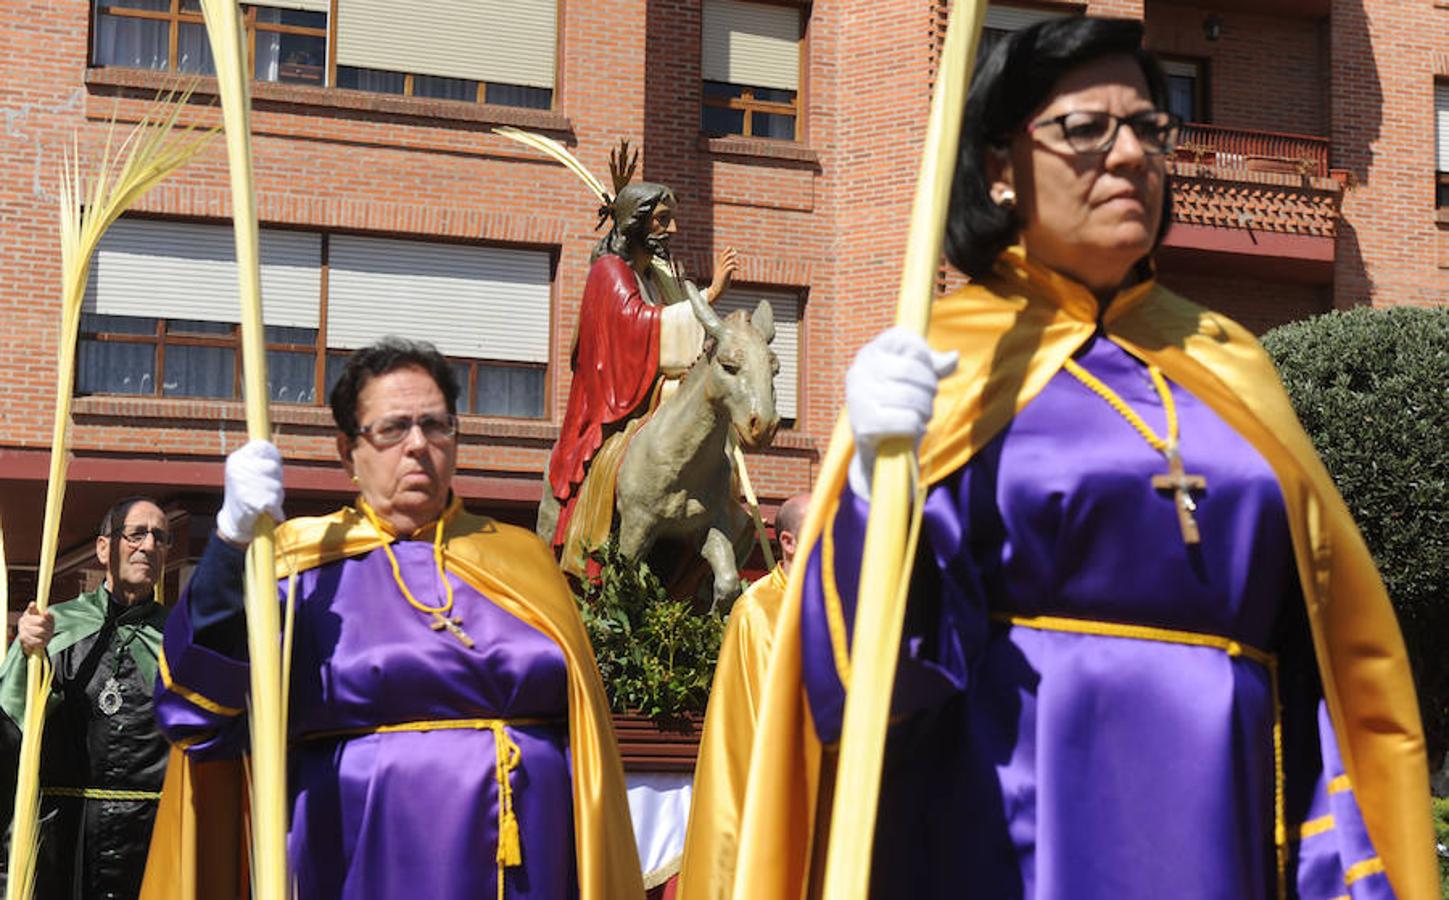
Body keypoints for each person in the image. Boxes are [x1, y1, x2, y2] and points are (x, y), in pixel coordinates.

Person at [725, 17, 1435, 900]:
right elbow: (875, 682)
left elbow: (1322, 661)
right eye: (1085, 129)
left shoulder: (1230, 360)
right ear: (995, 167)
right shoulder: (947, 365)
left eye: (1147, 126)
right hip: (1014, 833)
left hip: (1223, 819)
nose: (1131, 154)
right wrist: (874, 481)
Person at [145, 337, 643, 899]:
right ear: (346, 451)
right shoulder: (296, 568)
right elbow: (195, 711)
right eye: (392, 429)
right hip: (359, 862)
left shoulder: (525, 560)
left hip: (532, 865)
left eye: (436, 426)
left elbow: (588, 741)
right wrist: (232, 544)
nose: (418, 445)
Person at [540, 182, 739, 574]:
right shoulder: (609, 272)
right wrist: (710, 294)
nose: (674, 229)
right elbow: (637, 330)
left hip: (654, 395)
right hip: (616, 406)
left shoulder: (652, 276)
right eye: (663, 220)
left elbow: (678, 329)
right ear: (636, 224)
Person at [0, 497, 172, 900]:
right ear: (102, 548)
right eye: (135, 534)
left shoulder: (179, 637)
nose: (147, 546)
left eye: (160, 538)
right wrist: (27, 655)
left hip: (150, 836)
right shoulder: (54, 626)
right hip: (66, 834)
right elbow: (13, 725)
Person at [677, 493, 809, 900]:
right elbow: (752, 713)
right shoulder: (756, 610)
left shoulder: (844, 601)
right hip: (777, 777)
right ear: (787, 542)